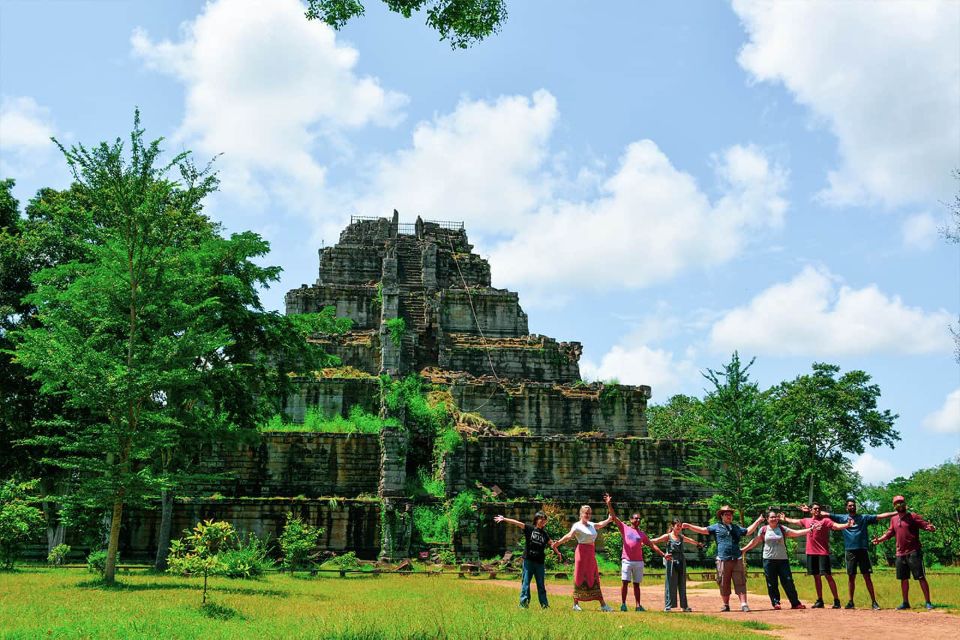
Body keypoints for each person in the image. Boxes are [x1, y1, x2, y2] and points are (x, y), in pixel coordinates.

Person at [818, 497, 895, 609]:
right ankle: (851, 602)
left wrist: (896, 512)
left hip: (862, 550)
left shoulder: (863, 517)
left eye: (853, 505)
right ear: (846, 507)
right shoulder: (842, 518)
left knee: (867, 577)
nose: (852, 507)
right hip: (850, 551)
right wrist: (810, 510)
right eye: (850, 505)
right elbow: (826, 514)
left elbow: (880, 515)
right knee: (851, 577)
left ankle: (874, 602)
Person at [682, 506, 764, 612]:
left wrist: (758, 521)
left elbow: (748, 531)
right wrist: (689, 526)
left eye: (730, 514)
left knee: (740, 581)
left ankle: (744, 604)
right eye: (726, 514)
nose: (729, 516)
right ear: (721, 516)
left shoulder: (736, 527)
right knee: (723, 582)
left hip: (737, 558)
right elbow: (703, 530)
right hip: (722, 559)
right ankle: (726, 604)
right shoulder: (716, 527)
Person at [603, 494, 671, 611]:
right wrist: (609, 504)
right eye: (636, 518)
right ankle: (623, 604)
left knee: (636, 584)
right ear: (630, 519)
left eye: (639, 519)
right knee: (625, 582)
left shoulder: (642, 534)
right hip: (627, 560)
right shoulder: (624, 528)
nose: (638, 520)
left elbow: (651, 545)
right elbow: (614, 517)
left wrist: (663, 554)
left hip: (638, 562)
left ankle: (638, 605)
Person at [740, 510, 819, 610]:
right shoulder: (764, 529)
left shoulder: (782, 529)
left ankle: (795, 603)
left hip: (782, 560)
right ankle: (776, 603)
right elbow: (755, 541)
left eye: (775, 517)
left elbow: (795, 533)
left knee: (788, 581)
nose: (774, 519)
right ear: (767, 519)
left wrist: (810, 529)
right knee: (771, 582)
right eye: (771, 517)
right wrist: (744, 550)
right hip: (768, 560)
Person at [872, 495, 937, 610]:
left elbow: (926, 525)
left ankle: (928, 602)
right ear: (894, 506)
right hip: (900, 553)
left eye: (901, 502)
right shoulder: (894, 519)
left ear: (905, 504)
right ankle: (905, 603)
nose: (899, 504)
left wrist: (931, 527)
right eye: (897, 503)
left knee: (921, 577)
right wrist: (879, 540)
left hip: (914, 552)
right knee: (903, 579)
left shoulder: (913, 516)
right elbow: (889, 533)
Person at [782, 502, 852, 608]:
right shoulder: (807, 521)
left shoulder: (825, 520)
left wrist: (846, 525)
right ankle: (820, 600)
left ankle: (836, 600)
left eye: (819, 509)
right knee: (816, 577)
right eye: (815, 509)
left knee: (828, 576)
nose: (817, 510)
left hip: (822, 553)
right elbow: (795, 521)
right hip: (811, 552)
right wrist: (785, 518)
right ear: (811, 510)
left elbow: (836, 526)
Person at [493, 511, 562, 609]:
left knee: (541, 585)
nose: (543, 521)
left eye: (544, 520)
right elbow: (516, 522)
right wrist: (504, 519)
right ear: (536, 520)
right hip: (528, 561)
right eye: (541, 519)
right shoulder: (529, 529)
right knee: (525, 584)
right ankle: (523, 604)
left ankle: (544, 605)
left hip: (540, 563)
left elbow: (552, 544)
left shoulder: (545, 534)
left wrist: (558, 552)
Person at [552, 504, 615, 611]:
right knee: (579, 576)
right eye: (586, 513)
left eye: (589, 513)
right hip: (581, 553)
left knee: (594, 576)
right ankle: (575, 604)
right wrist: (557, 543)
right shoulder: (577, 525)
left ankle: (603, 605)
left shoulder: (591, 524)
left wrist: (609, 511)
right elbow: (569, 536)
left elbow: (601, 523)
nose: (588, 515)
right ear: (580, 514)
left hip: (591, 554)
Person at [650, 517, 704, 612]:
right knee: (670, 583)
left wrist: (698, 544)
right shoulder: (667, 536)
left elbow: (690, 540)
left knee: (682, 583)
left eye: (680, 526)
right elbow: (656, 540)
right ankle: (668, 606)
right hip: (671, 561)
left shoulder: (681, 537)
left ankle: (684, 606)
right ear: (673, 526)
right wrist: (644, 541)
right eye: (677, 526)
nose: (679, 528)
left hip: (681, 561)